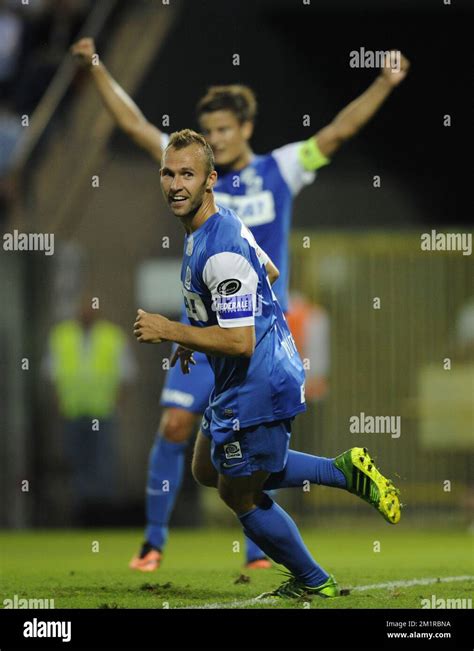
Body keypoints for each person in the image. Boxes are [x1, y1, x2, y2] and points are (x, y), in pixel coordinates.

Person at [71, 37, 409, 570]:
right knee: (191, 442)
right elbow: (136, 126)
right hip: (208, 328)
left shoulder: (281, 168)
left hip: (249, 334)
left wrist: (384, 82)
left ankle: (270, 557)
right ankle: (155, 540)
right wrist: (94, 67)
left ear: (246, 129)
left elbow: (339, 130)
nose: (216, 141)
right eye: (209, 133)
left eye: (225, 130)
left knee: (240, 468)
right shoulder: (193, 173)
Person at [133, 130, 401, 599]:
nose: (176, 184)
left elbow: (238, 340)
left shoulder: (219, 249)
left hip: (259, 380)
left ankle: (314, 580)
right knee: (205, 468)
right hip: (241, 378)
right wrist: (200, 332)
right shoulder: (216, 226)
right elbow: (269, 274)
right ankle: (341, 472)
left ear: (210, 180)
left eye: (187, 174)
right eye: (168, 173)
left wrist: (172, 329)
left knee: (236, 492)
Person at [44, 296, 136, 520]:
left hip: (103, 413)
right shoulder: (61, 336)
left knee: (103, 462)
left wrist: (115, 404)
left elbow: (127, 374)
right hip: (73, 412)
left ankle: (101, 513)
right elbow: (51, 373)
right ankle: (81, 513)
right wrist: (60, 404)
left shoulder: (111, 336)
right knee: (77, 463)